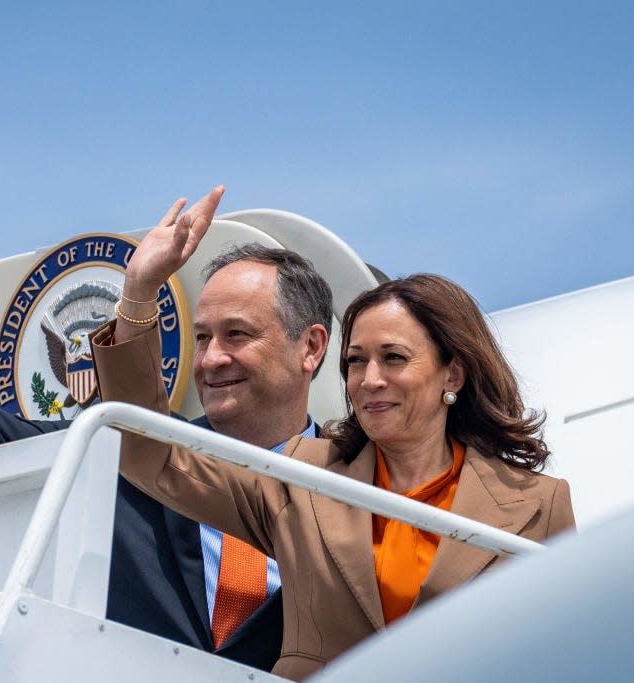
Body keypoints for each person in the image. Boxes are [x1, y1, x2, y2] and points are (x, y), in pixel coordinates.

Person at [0, 141, 335, 670]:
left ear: (310, 348)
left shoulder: (368, 490)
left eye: (237, 334)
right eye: (204, 337)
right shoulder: (120, 455)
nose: (211, 359)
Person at [90, 209, 576, 681]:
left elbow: (566, 653)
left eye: (394, 358)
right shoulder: (304, 477)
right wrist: (138, 292)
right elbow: (148, 451)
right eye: (357, 361)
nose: (370, 380)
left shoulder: (537, 504)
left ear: (453, 372)